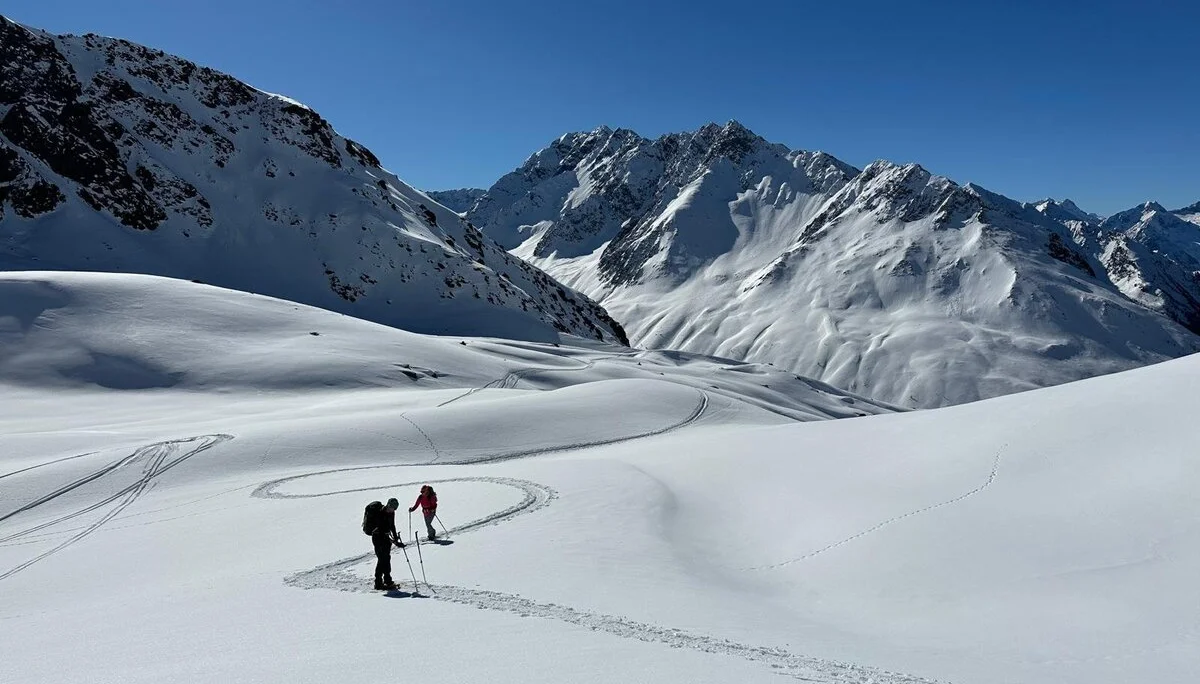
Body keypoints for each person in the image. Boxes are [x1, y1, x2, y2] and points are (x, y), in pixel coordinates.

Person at [370, 498, 405, 590]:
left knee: (387, 558)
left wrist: (395, 537)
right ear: (388, 505)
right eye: (392, 508)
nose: (392, 510)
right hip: (378, 538)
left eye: (394, 509)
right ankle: (378, 583)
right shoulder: (380, 513)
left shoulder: (391, 513)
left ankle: (387, 580)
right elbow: (381, 529)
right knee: (382, 560)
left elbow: (392, 525)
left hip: (385, 538)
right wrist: (392, 540)